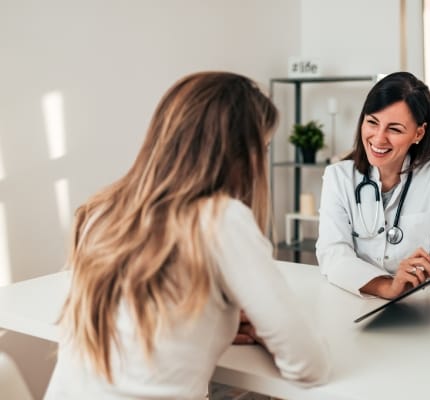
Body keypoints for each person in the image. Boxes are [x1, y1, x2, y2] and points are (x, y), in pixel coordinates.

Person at [44, 72, 330, 399]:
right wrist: (269, 333)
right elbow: (309, 367)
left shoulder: (102, 210)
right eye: (262, 148)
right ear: (240, 153)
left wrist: (217, 320)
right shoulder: (221, 220)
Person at [316, 71, 430, 299]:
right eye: (372, 122)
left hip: (420, 305)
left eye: (394, 129)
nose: (379, 138)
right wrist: (388, 287)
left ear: (418, 133)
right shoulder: (338, 177)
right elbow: (333, 253)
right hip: (355, 301)